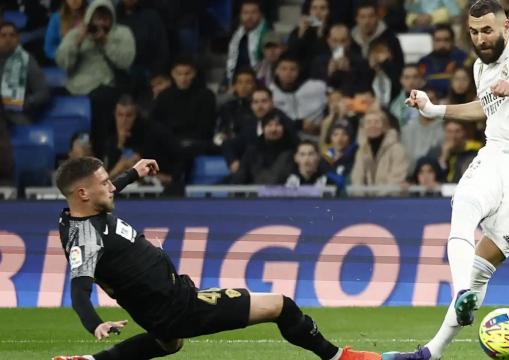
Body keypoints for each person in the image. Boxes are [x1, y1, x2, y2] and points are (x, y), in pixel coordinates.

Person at [382, 1, 509, 359]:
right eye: (473, 32)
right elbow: (485, 106)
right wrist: (435, 110)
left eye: (487, 30)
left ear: (506, 25)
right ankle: (458, 301)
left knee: (482, 266)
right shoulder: (479, 67)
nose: (480, 39)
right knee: (464, 206)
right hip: (494, 154)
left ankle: (439, 339)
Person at [52, 157, 381, 360]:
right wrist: (96, 323)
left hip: (161, 306)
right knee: (281, 305)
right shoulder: (84, 237)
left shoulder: (81, 212)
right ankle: (339, 357)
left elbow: (105, 193)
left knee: (169, 345)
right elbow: (79, 290)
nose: (111, 186)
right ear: (83, 193)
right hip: (178, 306)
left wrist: (133, 174)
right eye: (105, 182)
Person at [55, 0, 135, 159]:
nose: (101, 23)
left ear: (112, 18)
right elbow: (62, 61)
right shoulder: (77, 33)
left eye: (105, 19)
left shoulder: (121, 33)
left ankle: (100, 155)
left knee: (103, 99)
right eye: (97, 18)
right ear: (89, 17)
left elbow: (126, 60)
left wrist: (106, 43)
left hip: (107, 86)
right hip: (76, 87)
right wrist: (78, 40)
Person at [0, 21, 50, 125]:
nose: (8, 39)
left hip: (16, 115)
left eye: (12, 35)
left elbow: (43, 92)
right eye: (3, 35)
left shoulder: (27, 60)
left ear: (18, 39)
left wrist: (27, 102)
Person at [350, 109, 409, 195]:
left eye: (377, 122)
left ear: (384, 126)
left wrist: (377, 199)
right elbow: (357, 178)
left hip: (390, 200)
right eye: (368, 122)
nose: (372, 125)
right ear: (363, 127)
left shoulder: (397, 150)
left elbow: (396, 179)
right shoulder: (361, 151)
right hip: (366, 203)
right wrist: (361, 198)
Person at [231, 113, 299, 185]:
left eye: (278, 125)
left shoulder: (293, 149)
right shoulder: (252, 151)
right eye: (269, 125)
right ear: (263, 128)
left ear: (284, 128)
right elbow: (241, 177)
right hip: (256, 193)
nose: (273, 129)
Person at [416, 24, 469, 99]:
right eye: (438, 40)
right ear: (433, 41)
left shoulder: (464, 60)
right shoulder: (424, 62)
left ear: (452, 41)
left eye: (446, 40)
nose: (442, 44)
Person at [226, 0, 269, 85]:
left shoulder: (268, 35)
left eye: (253, 12)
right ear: (240, 16)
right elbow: (231, 64)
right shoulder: (237, 35)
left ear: (261, 15)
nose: (249, 17)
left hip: (259, 83)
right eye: (245, 13)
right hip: (237, 82)